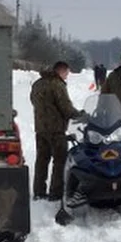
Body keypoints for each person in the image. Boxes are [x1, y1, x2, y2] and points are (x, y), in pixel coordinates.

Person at [29, 61, 83, 200]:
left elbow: (33, 101)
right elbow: (66, 107)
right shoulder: (57, 84)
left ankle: (39, 191)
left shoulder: (37, 84)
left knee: (42, 160)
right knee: (59, 161)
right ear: (62, 71)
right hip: (56, 129)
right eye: (67, 73)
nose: (67, 76)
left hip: (40, 128)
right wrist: (80, 115)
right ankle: (56, 193)